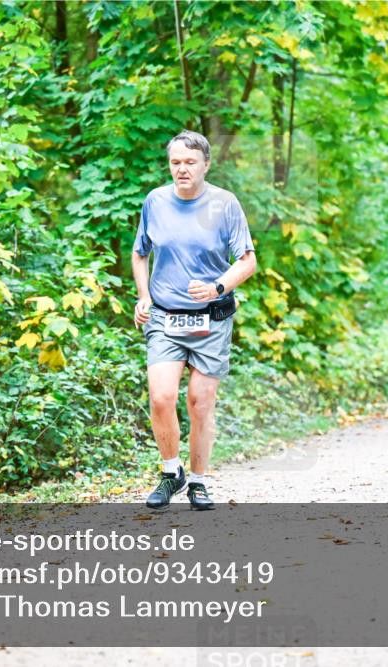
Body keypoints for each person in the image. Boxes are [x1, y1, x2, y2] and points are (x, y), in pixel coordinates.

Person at [132, 130, 256, 510]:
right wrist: (144, 296)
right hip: (166, 318)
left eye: (189, 162)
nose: (181, 169)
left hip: (211, 320)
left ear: (205, 164)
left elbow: (248, 261)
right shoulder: (155, 201)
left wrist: (219, 286)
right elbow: (140, 254)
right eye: (175, 162)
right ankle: (173, 473)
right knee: (161, 397)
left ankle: (199, 481)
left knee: (199, 402)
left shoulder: (224, 204)